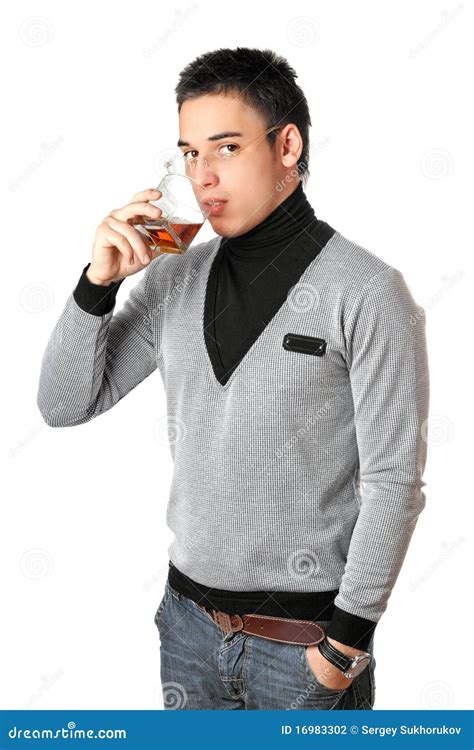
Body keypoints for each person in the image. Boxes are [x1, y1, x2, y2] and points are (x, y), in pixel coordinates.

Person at [37, 47, 430, 710]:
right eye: (189, 154)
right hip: (186, 627)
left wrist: (343, 647)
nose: (202, 176)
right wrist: (97, 284)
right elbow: (64, 404)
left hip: (307, 642)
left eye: (225, 148)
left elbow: (395, 480)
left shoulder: (366, 290)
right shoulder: (170, 277)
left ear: (287, 146)